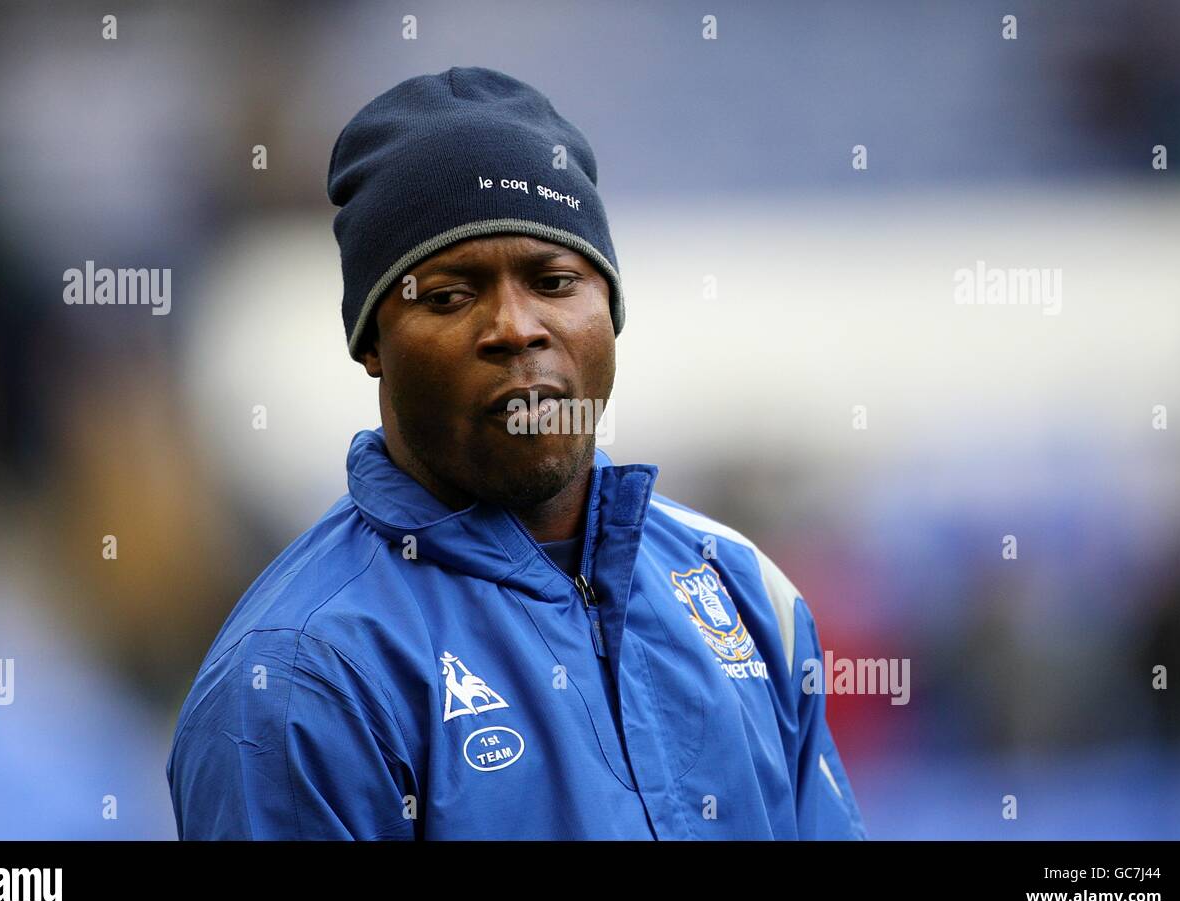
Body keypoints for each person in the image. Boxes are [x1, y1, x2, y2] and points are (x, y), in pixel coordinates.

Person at [167, 66, 867, 840]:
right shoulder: (299, 678)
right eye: (448, 295)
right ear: (372, 341)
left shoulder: (740, 590)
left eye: (554, 279)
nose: (516, 327)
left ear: (610, 310)